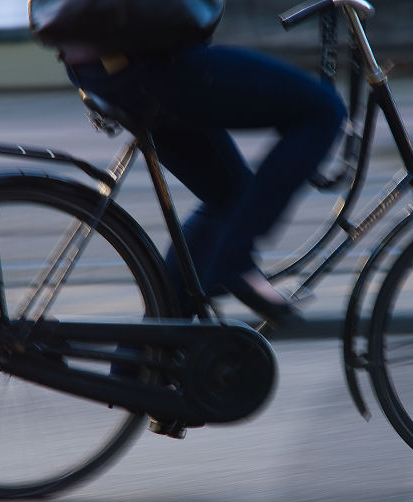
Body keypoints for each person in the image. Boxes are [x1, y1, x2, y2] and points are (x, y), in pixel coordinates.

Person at [63, 27, 347, 326]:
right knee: (322, 110)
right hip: (152, 65)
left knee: (228, 195)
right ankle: (235, 258)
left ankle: (150, 351)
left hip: (105, 69)